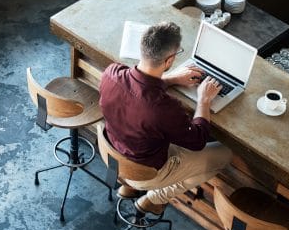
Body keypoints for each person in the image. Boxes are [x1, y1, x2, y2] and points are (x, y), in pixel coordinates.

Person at [99, 21, 232, 215]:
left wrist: (169, 80)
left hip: (115, 152)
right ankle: (155, 197)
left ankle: (129, 183)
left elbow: (138, 91)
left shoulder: (111, 73)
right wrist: (204, 100)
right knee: (225, 154)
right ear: (169, 60)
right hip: (148, 171)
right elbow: (198, 140)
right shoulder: (164, 108)